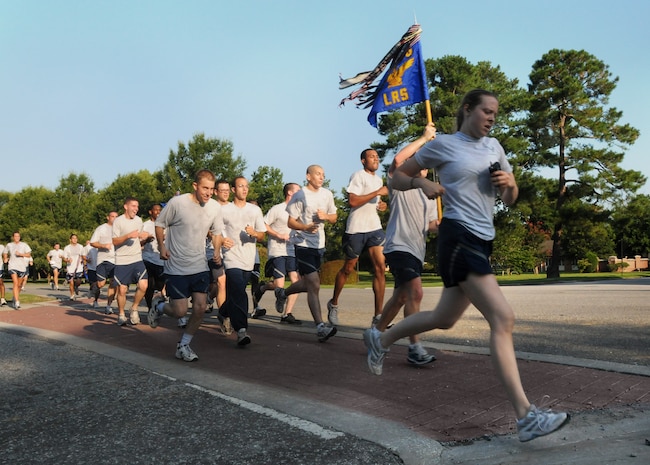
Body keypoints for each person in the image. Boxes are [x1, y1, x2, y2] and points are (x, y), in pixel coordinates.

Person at [363, 89, 569, 442]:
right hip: (458, 237)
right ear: (468, 110)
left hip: (482, 239)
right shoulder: (444, 145)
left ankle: (381, 339)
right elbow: (396, 178)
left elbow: (508, 198)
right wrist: (420, 181)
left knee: (444, 318)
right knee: (503, 318)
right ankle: (526, 416)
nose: (491, 117)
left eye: (495, 113)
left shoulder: (495, 148)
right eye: (486, 111)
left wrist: (510, 185)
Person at [373, 123, 438, 366]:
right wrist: (424, 137)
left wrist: (441, 226)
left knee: (401, 297)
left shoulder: (429, 193)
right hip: (399, 246)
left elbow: (430, 225)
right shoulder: (400, 182)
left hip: (416, 249)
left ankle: (375, 334)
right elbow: (399, 159)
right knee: (416, 292)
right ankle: (414, 347)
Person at [148, 169, 227, 361]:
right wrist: (161, 246)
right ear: (195, 186)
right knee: (180, 311)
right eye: (205, 188)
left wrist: (216, 251)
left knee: (200, 308)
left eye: (211, 189)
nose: (208, 193)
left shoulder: (215, 207)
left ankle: (183, 345)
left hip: (199, 264)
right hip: (176, 266)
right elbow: (159, 224)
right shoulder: (178, 203)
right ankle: (158, 306)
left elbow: (217, 233)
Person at [274, 165, 338, 341]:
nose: (321, 177)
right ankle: (320, 327)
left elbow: (334, 217)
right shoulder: (300, 195)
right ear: (308, 176)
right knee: (314, 284)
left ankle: (282, 293)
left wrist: (326, 216)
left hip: (319, 244)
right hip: (302, 243)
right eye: (318, 174)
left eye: (323, 175)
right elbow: (290, 222)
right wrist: (305, 227)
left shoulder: (327, 194)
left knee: (309, 284)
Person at [327, 148, 389, 327]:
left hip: (374, 228)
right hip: (356, 229)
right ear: (363, 161)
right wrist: (377, 193)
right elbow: (353, 201)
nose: (376, 159)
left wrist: (381, 205)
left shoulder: (378, 179)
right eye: (372, 157)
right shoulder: (358, 176)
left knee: (380, 267)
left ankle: (378, 316)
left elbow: (375, 204)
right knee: (348, 268)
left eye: (377, 157)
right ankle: (334, 303)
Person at [219, 177, 266, 346]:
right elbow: (212, 230)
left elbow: (262, 234)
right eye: (240, 186)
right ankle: (241, 330)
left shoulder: (254, 210)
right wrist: (222, 241)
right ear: (233, 189)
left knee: (236, 292)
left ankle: (224, 311)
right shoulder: (224, 210)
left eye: (246, 186)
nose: (245, 189)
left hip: (248, 258)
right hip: (231, 257)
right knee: (239, 290)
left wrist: (255, 233)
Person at [253, 182, 302, 324]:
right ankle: (263, 287)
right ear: (290, 193)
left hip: (292, 250)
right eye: (298, 191)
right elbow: (264, 224)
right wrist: (278, 235)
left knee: (296, 282)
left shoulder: (299, 211)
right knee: (278, 285)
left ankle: (287, 314)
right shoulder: (278, 209)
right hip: (277, 250)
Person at [112, 197, 151, 326]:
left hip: (136, 258)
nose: (136, 209)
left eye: (137, 206)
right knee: (122, 290)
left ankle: (134, 308)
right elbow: (114, 241)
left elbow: (139, 235)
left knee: (143, 285)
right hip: (122, 260)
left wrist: (146, 236)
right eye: (133, 206)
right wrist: (128, 236)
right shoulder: (118, 221)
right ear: (126, 207)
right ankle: (121, 314)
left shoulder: (139, 220)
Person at [90, 211, 118, 314]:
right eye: (112, 216)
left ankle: (108, 306)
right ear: (108, 217)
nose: (114, 218)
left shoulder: (119, 229)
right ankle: (94, 287)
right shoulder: (101, 228)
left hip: (116, 260)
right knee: (101, 284)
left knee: (113, 283)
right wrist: (103, 246)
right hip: (103, 260)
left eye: (116, 216)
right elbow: (93, 242)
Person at [3, 231, 32, 309]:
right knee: (15, 283)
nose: (17, 238)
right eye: (15, 236)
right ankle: (17, 301)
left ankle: (14, 297)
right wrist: (5, 258)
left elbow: (29, 255)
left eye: (18, 236)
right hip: (12, 266)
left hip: (22, 267)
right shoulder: (9, 245)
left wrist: (21, 254)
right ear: (13, 237)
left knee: (19, 285)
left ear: (20, 237)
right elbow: (5, 252)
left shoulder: (24, 245)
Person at [63, 234, 86, 302]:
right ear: (70, 239)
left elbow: (83, 255)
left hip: (79, 267)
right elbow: (64, 258)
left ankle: (76, 287)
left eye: (76, 238)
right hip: (70, 267)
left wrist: (84, 262)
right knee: (71, 282)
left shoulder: (81, 247)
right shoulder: (67, 248)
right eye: (73, 238)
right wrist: (67, 260)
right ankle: (72, 295)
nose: (75, 239)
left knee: (78, 281)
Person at [0, 242, 7, 306]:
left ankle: (2, 299)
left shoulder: (1, 247)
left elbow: (5, 255)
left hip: (0, 267)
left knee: (0, 282)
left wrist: (5, 259)